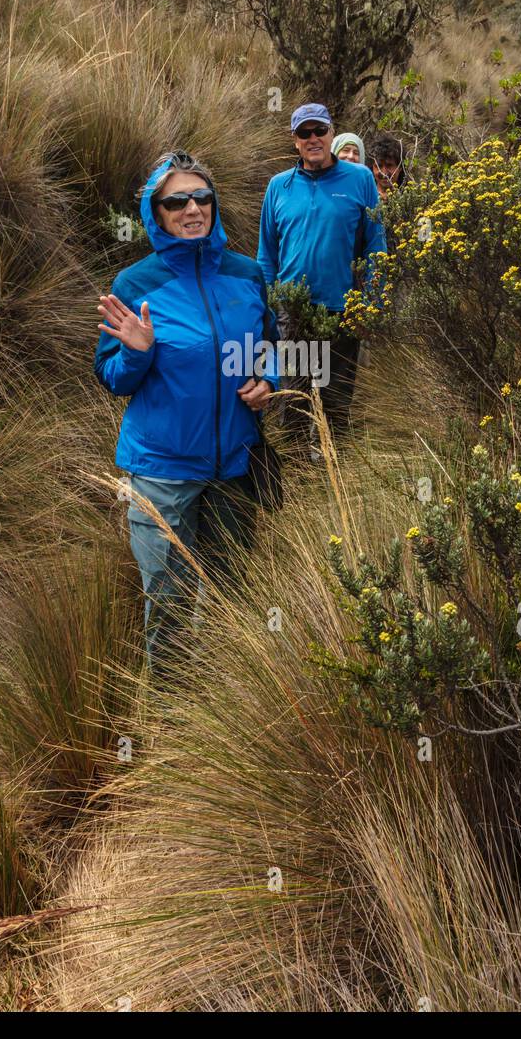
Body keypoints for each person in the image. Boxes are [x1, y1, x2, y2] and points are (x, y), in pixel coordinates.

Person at [95, 151, 278, 679]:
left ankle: (224, 716)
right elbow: (111, 378)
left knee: (231, 599)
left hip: (236, 470)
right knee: (169, 608)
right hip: (163, 474)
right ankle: (169, 731)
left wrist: (271, 380)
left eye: (201, 197)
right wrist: (136, 352)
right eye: (177, 201)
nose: (192, 209)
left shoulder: (246, 274)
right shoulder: (135, 285)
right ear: (156, 213)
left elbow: (269, 344)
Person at [257, 103, 387, 452]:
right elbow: (266, 255)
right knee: (294, 400)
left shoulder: (359, 179)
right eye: (305, 133)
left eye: (320, 131)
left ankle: (336, 476)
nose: (313, 138)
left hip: (343, 309)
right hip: (292, 311)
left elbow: (376, 245)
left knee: (337, 401)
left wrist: (371, 304)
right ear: (295, 140)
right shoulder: (278, 187)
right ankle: (299, 475)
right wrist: (268, 309)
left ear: (331, 133)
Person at [368, 135, 407, 199]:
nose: (384, 173)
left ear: (400, 168)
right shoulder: (364, 196)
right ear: (372, 167)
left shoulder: (409, 199)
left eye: (389, 165)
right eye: (379, 166)